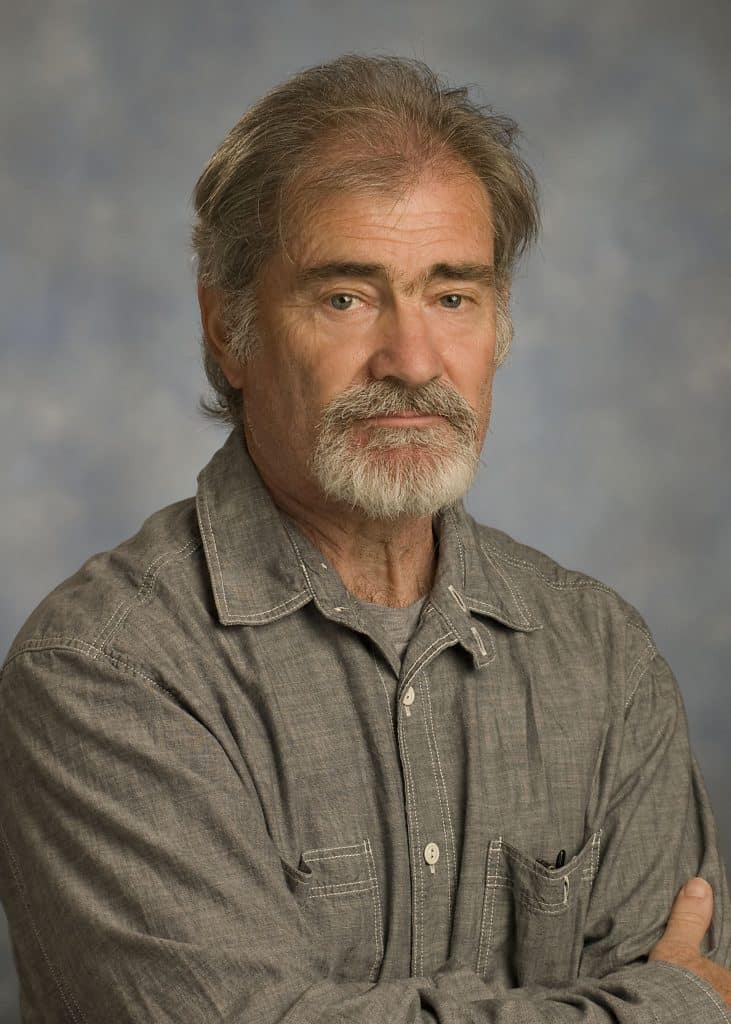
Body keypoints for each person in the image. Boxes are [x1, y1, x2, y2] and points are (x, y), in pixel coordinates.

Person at [0, 54, 729, 1024]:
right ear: (229, 326)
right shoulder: (104, 672)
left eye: (451, 294)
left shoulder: (600, 656)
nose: (411, 359)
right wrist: (665, 1007)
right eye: (346, 296)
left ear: (497, 321)